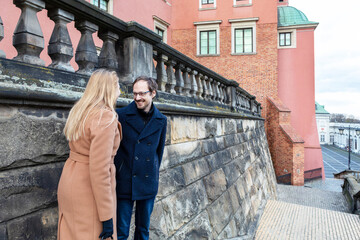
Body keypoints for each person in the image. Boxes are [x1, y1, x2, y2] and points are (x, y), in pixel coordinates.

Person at [57, 69, 122, 240]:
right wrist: (107, 216)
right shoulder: (105, 117)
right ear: (109, 89)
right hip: (88, 188)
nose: (120, 91)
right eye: (118, 86)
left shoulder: (80, 111)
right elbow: (99, 170)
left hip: (70, 179)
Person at [114, 76, 167, 240]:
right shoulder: (120, 115)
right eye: (134, 93)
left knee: (143, 230)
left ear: (153, 93)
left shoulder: (161, 120)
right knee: (121, 232)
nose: (137, 98)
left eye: (142, 94)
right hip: (124, 180)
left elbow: (158, 152)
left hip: (147, 181)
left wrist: (152, 173)